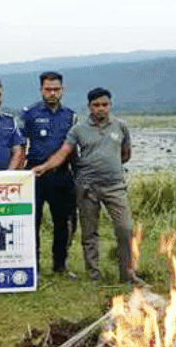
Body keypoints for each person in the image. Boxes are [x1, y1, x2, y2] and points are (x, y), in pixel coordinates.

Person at [34, 87, 139, 284]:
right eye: (96, 105)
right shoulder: (78, 129)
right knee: (89, 233)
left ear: (110, 105)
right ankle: (93, 276)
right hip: (87, 187)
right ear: (89, 107)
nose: (101, 109)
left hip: (115, 187)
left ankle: (127, 275)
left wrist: (109, 165)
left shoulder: (120, 126)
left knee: (125, 228)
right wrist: (44, 167)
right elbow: (63, 153)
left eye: (105, 105)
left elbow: (125, 155)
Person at [20, 72, 78, 277]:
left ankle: (60, 265)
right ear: (41, 90)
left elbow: (73, 149)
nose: (52, 93)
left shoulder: (71, 116)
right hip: (34, 175)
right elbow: (20, 145)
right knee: (31, 222)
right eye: (48, 89)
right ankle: (33, 265)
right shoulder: (29, 113)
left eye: (56, 89)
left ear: (63, 90)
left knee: (63, 222)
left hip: (62, 175)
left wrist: (77, 176)